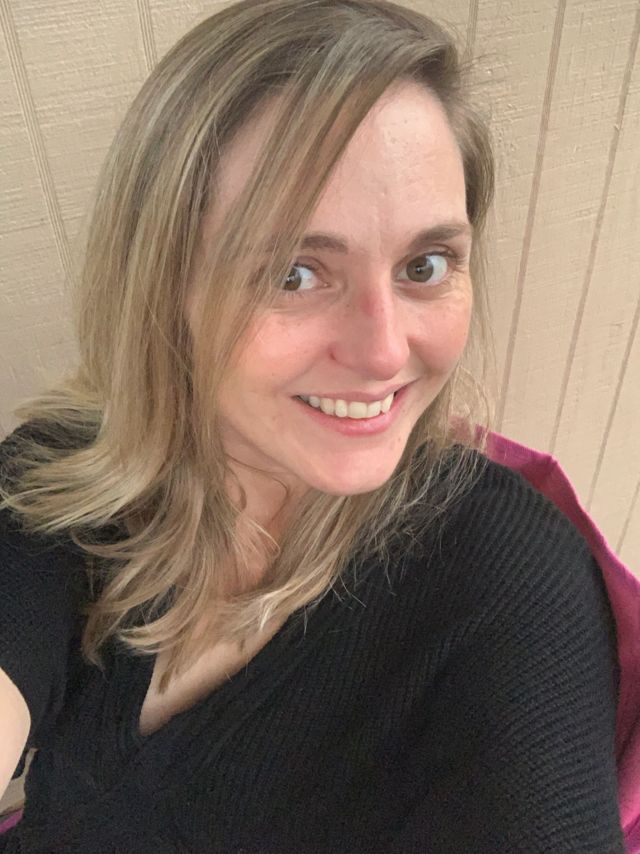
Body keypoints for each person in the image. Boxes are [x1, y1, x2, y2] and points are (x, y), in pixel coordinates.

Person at [0, 0, 625, 850]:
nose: (384, 351)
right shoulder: (67, 473)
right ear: (163, 288)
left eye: (424, 265)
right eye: (294, 273)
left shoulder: (511, 584)